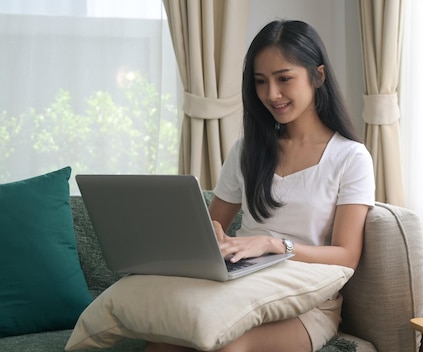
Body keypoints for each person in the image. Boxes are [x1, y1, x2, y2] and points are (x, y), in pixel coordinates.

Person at [145, 19, 375, 352]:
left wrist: (274, 244)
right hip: (241, 288)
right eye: (260, 82)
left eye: (284, 79)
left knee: (228, 347)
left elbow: (346, 256)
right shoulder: (246, 150)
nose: (271, 94)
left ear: (318, 76)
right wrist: (214, 239)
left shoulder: (350, 157)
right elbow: (214, 224)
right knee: (164, 342)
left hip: (306, 303)